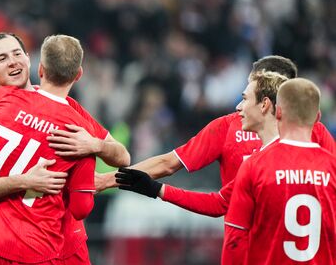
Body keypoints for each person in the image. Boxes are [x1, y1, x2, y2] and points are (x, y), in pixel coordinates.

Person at [0, 32, 129, 265]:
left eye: (17, 54)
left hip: (62, 242)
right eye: (2, 58)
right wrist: (24, 180)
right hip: (5, 246)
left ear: (32, 62)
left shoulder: (69, 110)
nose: (12, 62)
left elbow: (121, 155)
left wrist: (95, 145)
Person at [96, 55, 335, 192]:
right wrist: (107, 180)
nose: (240, 103)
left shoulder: (231, 130)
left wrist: (107, 181)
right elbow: (169, 163)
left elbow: (217, 202)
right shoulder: (314, 132)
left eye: (251, 89)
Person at [115, 70, 287, 217]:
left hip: (259, 253)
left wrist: (157, 189)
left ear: (264, 104)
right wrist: (157, 188)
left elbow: (219, 204)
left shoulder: (255, 164)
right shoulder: (306, 154)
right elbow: (220, 203)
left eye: (244, 99)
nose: (238, 107)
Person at [222, 78, 336, 264]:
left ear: (279, 112)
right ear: (317, 117)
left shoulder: (254, 166)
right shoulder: (333, 167)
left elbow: (235, 238)